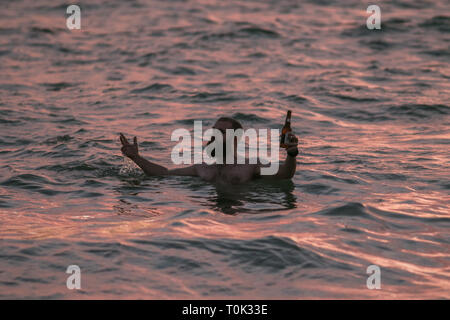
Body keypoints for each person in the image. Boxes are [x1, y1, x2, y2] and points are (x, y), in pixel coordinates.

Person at [119, 117, 298, 184]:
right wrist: (137, 158)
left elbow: (285, 174)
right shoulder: (203, 168)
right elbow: (164, 174)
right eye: (213, 131)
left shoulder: (250, 166)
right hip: (209, 217)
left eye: (220, 132)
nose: (214, 136)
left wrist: (291, 153)